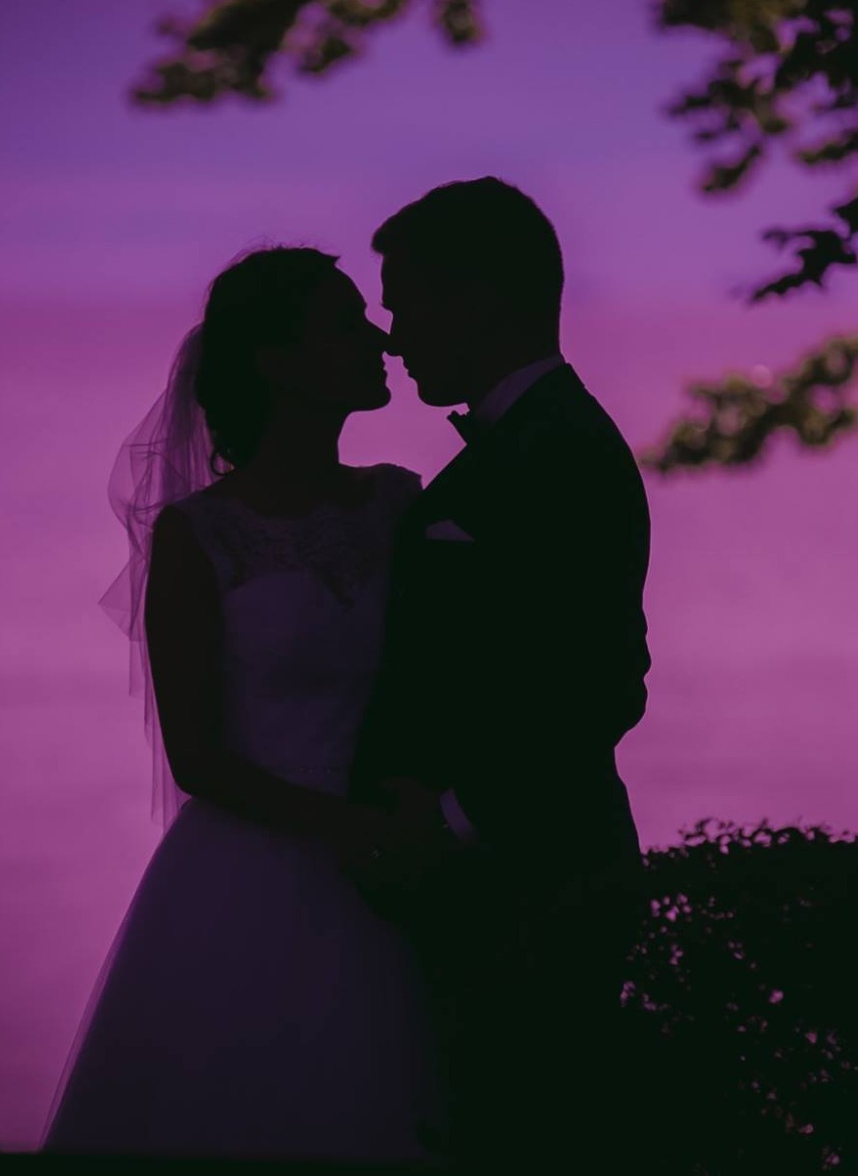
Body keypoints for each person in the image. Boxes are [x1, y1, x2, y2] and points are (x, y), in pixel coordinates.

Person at [39, 245, 448, 1162]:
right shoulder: (199, 536)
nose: (377, 337)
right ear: (275, 362)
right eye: (345, 324)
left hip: (395, 868)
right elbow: (198, 756)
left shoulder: (399, 503)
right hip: (253, 877)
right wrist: (349, 827)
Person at [346, 177, 653, 1169]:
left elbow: (604, 680)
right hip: (500, 888)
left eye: (403, 303)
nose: (391, 337)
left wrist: (450, 817)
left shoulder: (560, 450)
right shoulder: (524, 444)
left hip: (537, 889)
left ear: (475, 300)